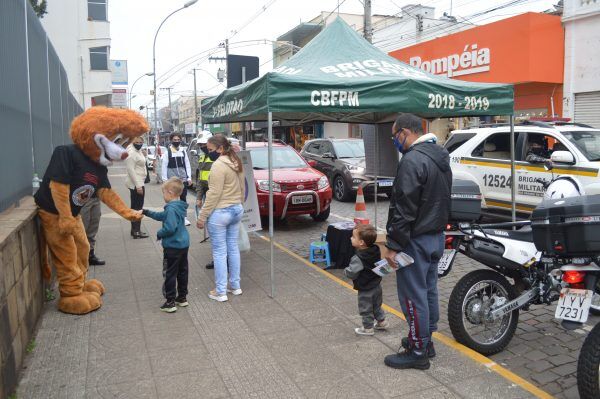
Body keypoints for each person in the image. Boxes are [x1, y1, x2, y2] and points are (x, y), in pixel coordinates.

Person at [382, 113, 452, 370]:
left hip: (415, 240)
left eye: (394, 135)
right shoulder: (440, 156)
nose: (394, 140)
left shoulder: (412, 160)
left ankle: (418, 349)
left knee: (413, 296)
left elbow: (404, 208)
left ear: (405, 132)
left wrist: (393, 245)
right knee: (429, 290)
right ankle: (426, 339)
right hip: (435, 237)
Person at [196, 134, 245, 302]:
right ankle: (235, 286)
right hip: (236, 209)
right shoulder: (236, 161)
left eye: (210, 150)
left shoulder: (218, 165)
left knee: (219, 252)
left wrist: (202, 216)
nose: (208, 153)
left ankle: (220, 291)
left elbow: (213, 194)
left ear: (221, 148)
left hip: (221, 212)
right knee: (233, 248)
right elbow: (242, 185)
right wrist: (240, 202)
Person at [142, 177, 190, 313]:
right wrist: (147, 212)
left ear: (170, 193)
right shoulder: (179, 206)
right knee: (182, 271)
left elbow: (169, 228)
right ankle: (182, 297)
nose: (163, 196)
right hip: (183, 245)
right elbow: (161, 215)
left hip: (172, 247)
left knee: (170, 273)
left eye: (163, 193)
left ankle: (170, 302)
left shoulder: (170, 209)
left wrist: (159, 233)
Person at [344, 224, 388, 336]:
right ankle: (382, 322)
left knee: (366, 308)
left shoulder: (357, 258)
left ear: (361, 243)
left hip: (365, 287)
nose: (350, 238)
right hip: (376, 284)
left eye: (353, 237)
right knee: (376, 305)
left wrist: (346, 271)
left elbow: (352, 272)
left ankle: (368, 328)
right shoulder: (376, 248)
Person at [195, 134, 217, 269]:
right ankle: (218, 258)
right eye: (200, 145)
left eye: (204, 145)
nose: (202, 147)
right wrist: (198, 197)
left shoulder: (219, 159)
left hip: (216, 199)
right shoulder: (202, 157)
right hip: (207, 197)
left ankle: (221, 259)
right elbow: (200, 181)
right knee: (213, 231)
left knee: (217, 231)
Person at [161, 132, 192, 226]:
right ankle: (172, 217)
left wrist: (189, 177)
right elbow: (164, 166)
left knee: (183, 199)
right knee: (172, 199)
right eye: (175, 140)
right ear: (171, 140)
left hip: (183, 179)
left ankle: (184, 218)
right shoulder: (168, 152)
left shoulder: (183, 151)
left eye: (178, 140)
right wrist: (165, 180)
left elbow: (187, 164)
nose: (177, 141)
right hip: (172, 180)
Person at [125, 137, 149, 239]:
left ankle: (135, 230)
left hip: (139, 182)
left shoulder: (138, 151)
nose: (139, 144)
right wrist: (138, 186)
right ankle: (136, 231)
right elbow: (131, 170)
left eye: (141, 142)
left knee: (136, 206)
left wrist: (145, 156)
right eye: (137, 142)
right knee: (137, 208)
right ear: (132, 142)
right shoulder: (132, 153)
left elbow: (142, 164)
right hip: (136, 183)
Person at [80, 197, 105, 266]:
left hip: (96, 196)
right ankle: (79, 257)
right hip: (82, 197)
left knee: (93, 225)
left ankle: (90, 255)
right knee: (82, 228)